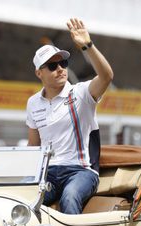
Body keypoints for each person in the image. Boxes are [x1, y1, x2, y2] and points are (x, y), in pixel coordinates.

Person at [26, 18, 114, 214]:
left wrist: (88, 46)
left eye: (63, 63)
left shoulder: (81, 93)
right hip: (48, 175)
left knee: (70, 196)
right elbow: (33, 147)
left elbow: (107, 76)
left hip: (81, 172)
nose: (60, 69)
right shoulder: (33, 102)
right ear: (39, 73)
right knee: (22, 199)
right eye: (52, 66)